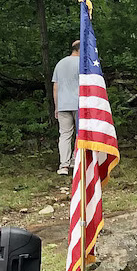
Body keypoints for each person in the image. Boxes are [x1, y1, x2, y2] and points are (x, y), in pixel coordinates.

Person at [52, 40, 80, 175]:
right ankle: (76, 160)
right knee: (80, 134)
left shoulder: (60, 63)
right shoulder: (83, 63)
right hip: (80, 104)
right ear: (80, 50)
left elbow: (55, 87)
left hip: (63, 104)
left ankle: (63, 165)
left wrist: (56, 106)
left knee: (64, 135)